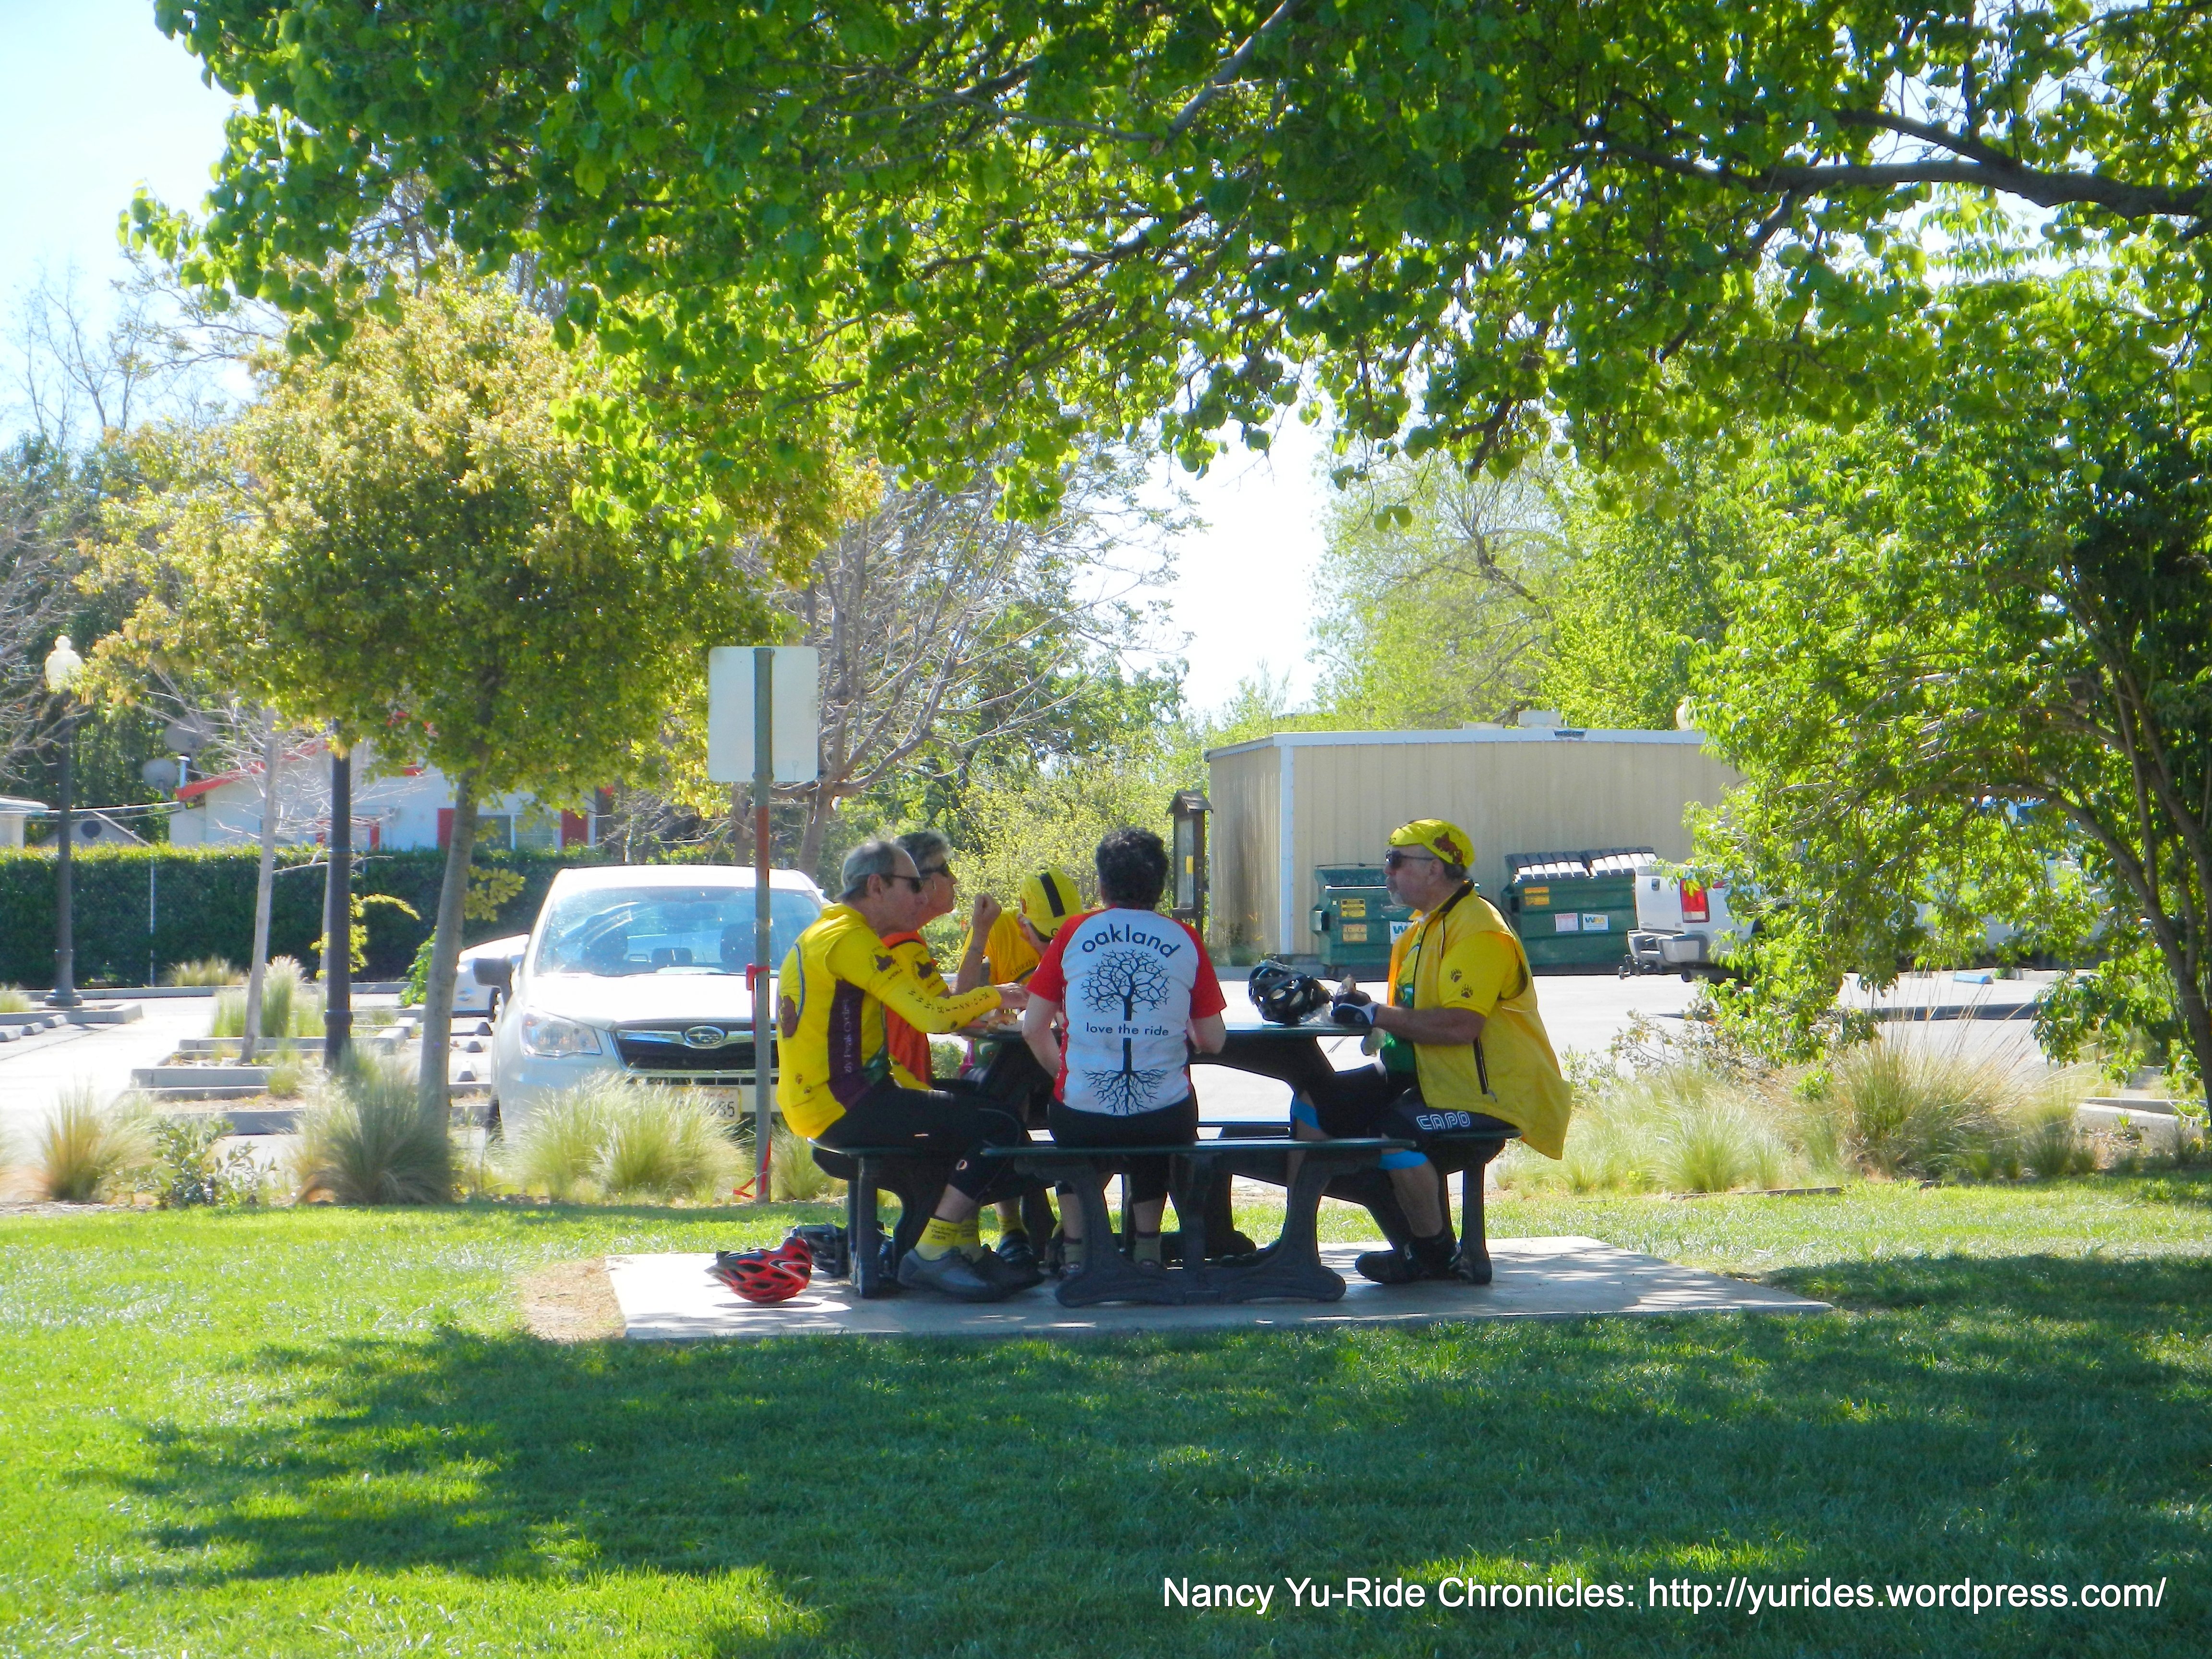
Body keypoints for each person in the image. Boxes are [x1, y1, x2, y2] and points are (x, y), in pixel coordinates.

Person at [1298, 817, 1572, 1285]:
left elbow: (1462, 1025)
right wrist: (1358, 1009)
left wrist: (1377, 1014)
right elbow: (1410, 1016)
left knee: (1396, 1133)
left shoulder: (1479, 930)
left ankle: (1434, 1255)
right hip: (1430, 1077)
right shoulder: (1422, 931)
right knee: (1313, 1104)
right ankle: (1299, 1250)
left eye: (1395, 861)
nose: (1387, 873)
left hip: (1488, 1094)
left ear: (1434, 868)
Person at [776, 839, 1036, 1301]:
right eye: (914, 884)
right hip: (847, 1107)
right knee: (1000, 1124)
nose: (923, 895)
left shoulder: (827, 930)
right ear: (877, 886)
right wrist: (1001, 994)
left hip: (828, 1103)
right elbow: (932, 1016)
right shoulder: (851, 939)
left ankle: (959, 1248)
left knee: (982, 1108)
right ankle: (933, 1252)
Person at [1022, 828, 1228, 1272]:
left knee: (1078, 1136)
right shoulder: (1185, 938)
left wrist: (1065, 1072)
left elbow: (1033, 1028)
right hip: (1165, 1118)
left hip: (1080, 1116)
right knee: (1156, 1117)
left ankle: (1075, 1252)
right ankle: (1148, 1250)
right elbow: (1213, 1039)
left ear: (1102, 885)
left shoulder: (1074, 932)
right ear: (1160, 886)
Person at [953, 865, 1081, 993]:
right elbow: (963, 995)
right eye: (1047, 938)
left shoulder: (1090, 925)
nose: (1059, 948)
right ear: (1023, 924)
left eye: (1070, 936)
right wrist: (1001, 996)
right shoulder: (993, 930)